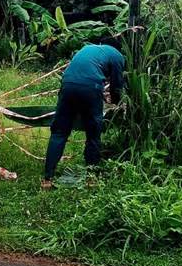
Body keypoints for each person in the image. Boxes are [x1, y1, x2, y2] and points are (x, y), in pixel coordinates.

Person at [42, 37, 125, 189]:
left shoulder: (87, 48)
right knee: (93, 133)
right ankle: (91, 178)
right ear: (118, 48)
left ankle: (47, 179)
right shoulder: (117, 55)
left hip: (67, 85)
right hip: (91, 87)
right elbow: (117, 86)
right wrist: (118, 104)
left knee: (59, 132)